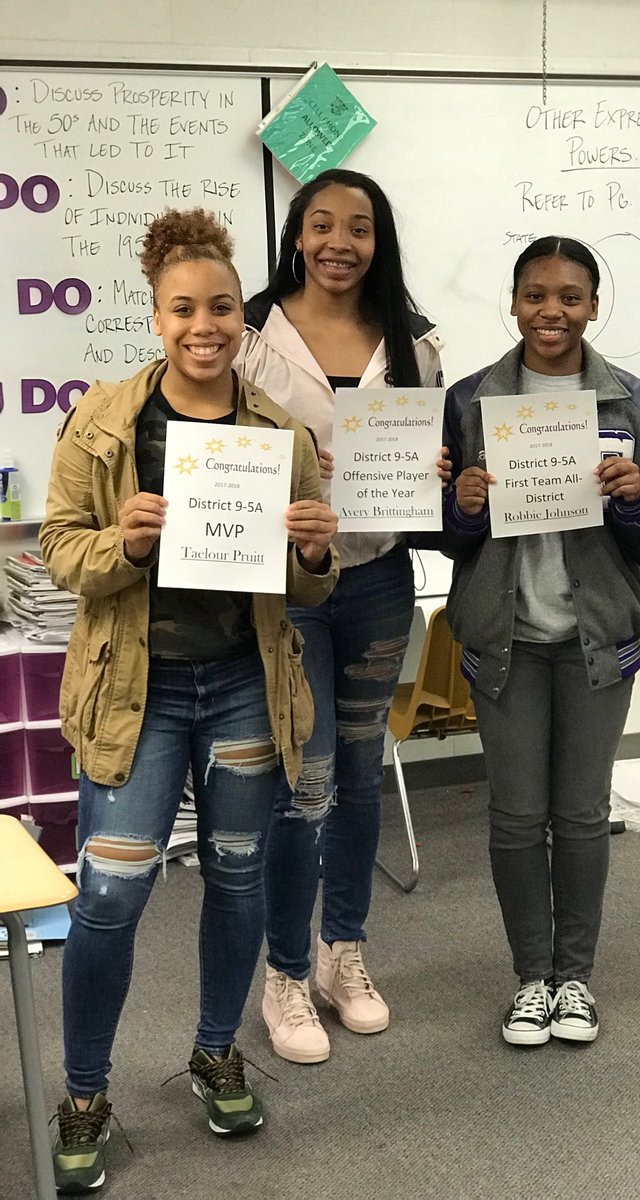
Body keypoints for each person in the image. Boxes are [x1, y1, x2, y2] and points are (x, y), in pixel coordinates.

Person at [40, 208, 338, 1193]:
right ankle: (85, 1091)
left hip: (243, 691)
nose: (203, 325)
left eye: (220, 308)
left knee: (239, 877)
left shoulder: (277, 434)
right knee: (113, 897)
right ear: (157, 314)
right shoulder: (103, 422)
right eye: (183, 309)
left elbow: (308, 587)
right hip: (137, 693)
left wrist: (310, 549)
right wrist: (121, 542)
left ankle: (218, 1050)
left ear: (239, 320)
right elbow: (58, 553)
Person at [442, 235, 640, 1045]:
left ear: (594, 305)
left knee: (582, 816)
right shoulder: (469, 400)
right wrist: (466, 504)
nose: (552, 311)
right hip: (505, 637)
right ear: (513, 303)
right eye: (535, 295)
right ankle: (531, 980)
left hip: (596, 641)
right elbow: (437, 531)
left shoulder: (636, 402)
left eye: (571, 296)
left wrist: (636, 499)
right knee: (516, 817)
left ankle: (575, 980)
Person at [235, 168, 447, 1064]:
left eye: (358, 229)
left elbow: (429, 464)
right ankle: (283, 973)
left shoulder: (417, 341)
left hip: (378, 581)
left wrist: (436, 471)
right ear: (295, 234)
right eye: (321, 225)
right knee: (305, 782)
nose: (338, 243)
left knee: (360, 775)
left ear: (378, 241)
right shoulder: (246, 334)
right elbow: (217, 454)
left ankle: (342, 954)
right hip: (286, 589)